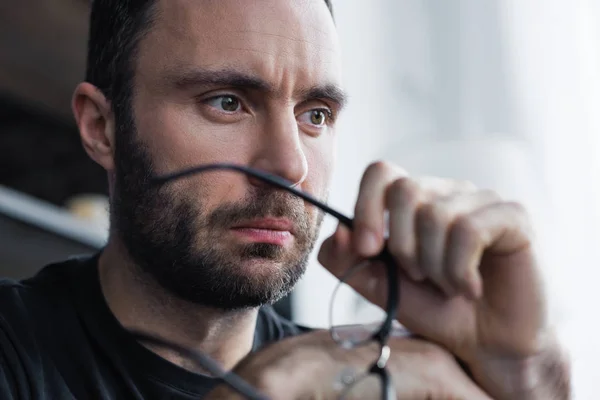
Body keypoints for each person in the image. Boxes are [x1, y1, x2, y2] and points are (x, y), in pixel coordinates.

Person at [0, 0, 571, 399]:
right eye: (227, 102)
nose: (291, 165)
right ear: (102, 127)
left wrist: (527, 376)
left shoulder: (350, 380)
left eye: (315, 115)